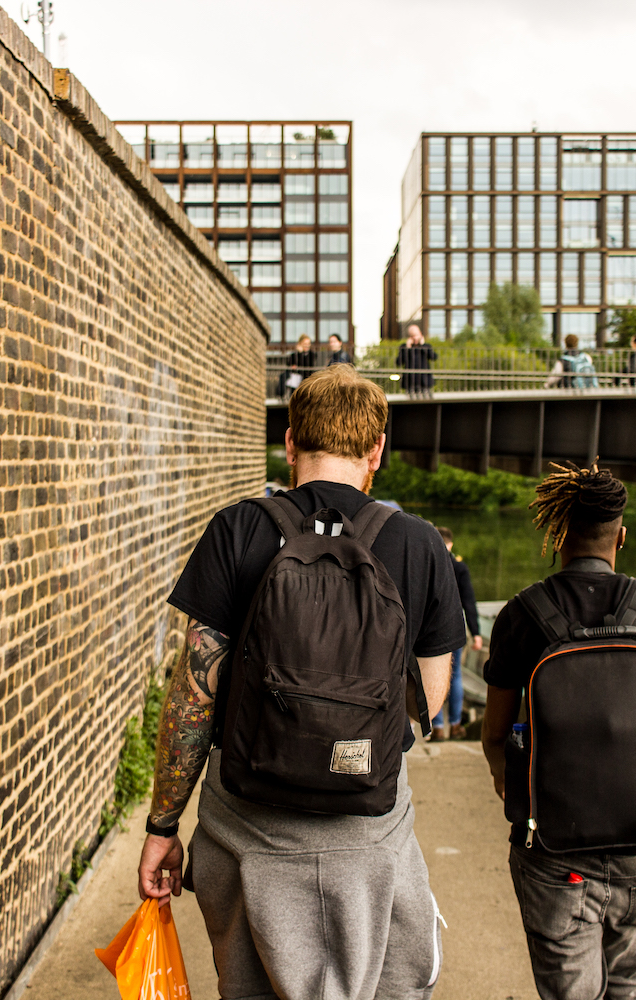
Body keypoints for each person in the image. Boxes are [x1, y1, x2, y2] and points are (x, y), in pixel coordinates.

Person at [139, 364, 465, 1000]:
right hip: (367, 831)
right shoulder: (420, 545)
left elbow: (193, 695)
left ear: (289, 444)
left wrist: (161, 827)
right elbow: (424, 702)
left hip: (246, 832)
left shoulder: (237, 529)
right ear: (378, 453)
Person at [480, 463, 636, 1000]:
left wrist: (514, 787)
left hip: (557, 855)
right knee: (628, 982)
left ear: (558, 533)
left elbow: (494, 736)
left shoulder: (520, 616)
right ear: (620, 537)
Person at [431, 526, 484, 741]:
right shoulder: (459, 567)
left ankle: (437, 728)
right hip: (455, 626)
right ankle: (455, 726)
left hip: (432, 627)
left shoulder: (429, 563)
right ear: (451, 544)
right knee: (456, 677)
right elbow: (469, 602)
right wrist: (477, 633)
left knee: (433, 675)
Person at [398, 323, 439, 396]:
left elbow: (434, 357)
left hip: (424, 382)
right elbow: (399, 362)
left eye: (416, 335)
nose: (415, 338)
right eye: (412, 336)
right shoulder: (404, 347)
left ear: (420, 334)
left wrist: (423, 346)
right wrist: (407, 348)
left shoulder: (426, 346)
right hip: (410, 382)